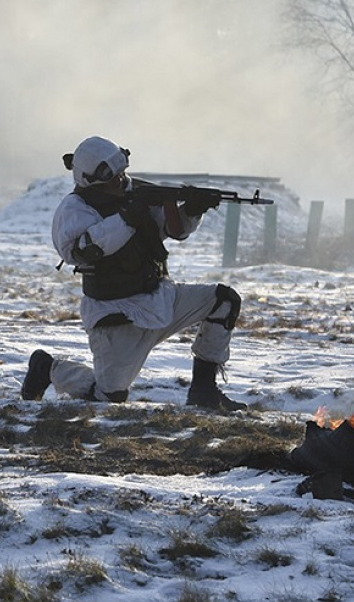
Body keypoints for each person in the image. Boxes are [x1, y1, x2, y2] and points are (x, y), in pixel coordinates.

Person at [22, 136, 248, 411]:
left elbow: (173, 230)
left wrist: (191, 210)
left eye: (121, 172)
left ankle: (204, 391)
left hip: (160, 298)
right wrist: (128, 217)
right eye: (110, 176)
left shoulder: (136, 193)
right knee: (110, 400)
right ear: (89, 179)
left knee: (223, 300)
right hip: (117, 315)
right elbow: (82, 251)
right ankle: (48, 369)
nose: (119, 180)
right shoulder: (75, 210)